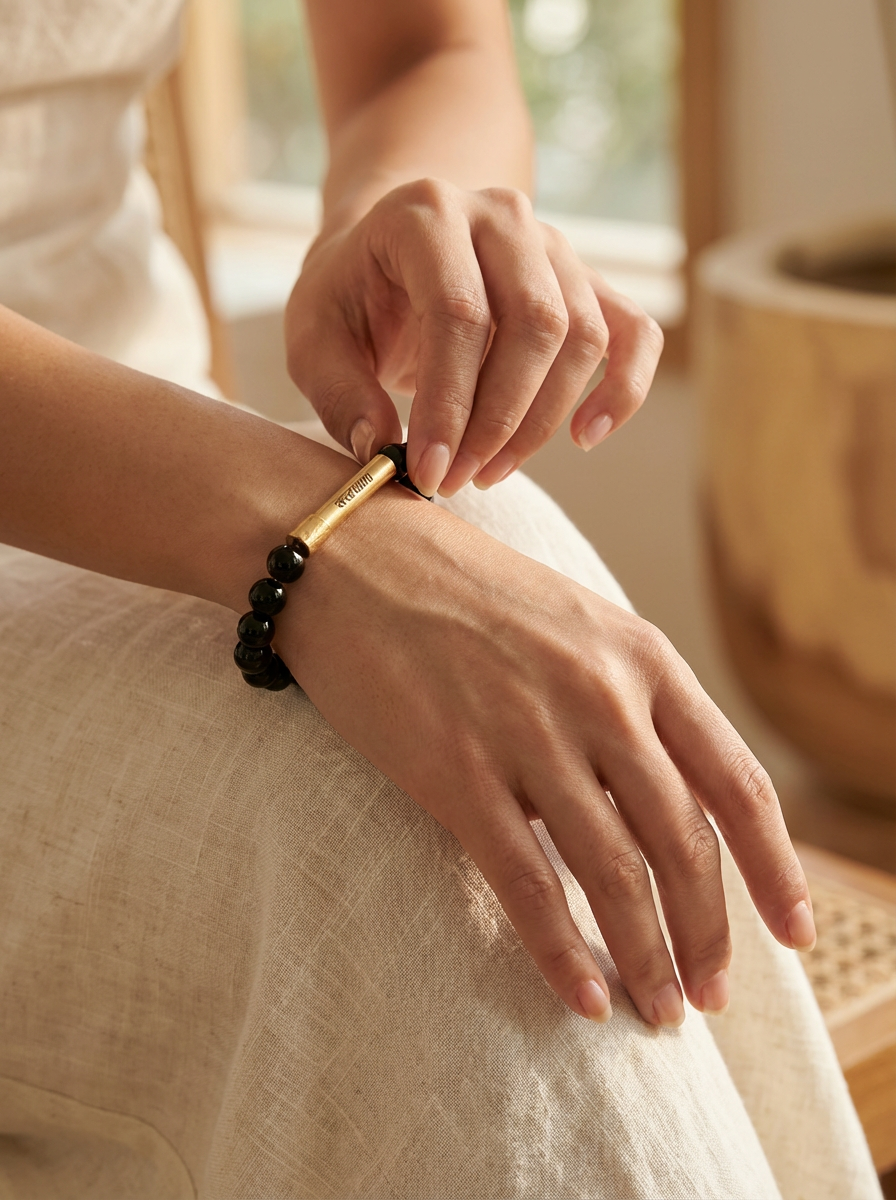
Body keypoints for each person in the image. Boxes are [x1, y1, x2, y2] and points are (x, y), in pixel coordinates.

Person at [0, 1, 880, 1197]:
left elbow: (425, 48)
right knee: (362, 807)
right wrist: (313, 539)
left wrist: (406, 214)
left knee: (485, 563)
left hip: (146, 422)